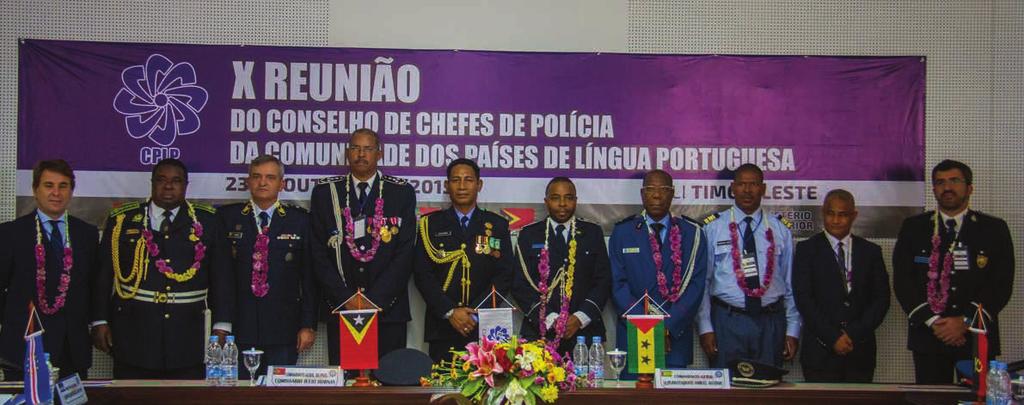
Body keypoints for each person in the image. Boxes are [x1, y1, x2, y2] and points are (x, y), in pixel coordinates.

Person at [90, 158, 233, 379]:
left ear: (186, 185)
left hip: (188, 335)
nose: (168, 186)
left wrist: (222, 325)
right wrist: (100, 320)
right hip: (134, 332)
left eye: (176, 181)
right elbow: (103, 274)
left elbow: (222, 277)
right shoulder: (123, 220)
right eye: (162, 180)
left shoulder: (209, 221)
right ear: (152, 183)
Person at [893, 159, 1014, 384]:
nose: (947, 187)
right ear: (933, 189)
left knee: (978, 398)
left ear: (969, 188)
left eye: (954, 181)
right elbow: (903, 282)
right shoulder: (914, 227)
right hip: (929, 336)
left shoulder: (993, 229)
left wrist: (965, 320)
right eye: (940, 182)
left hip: (976, 337)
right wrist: (934, 322)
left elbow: (1001, 284)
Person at [310, 128, 416, 365]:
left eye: (367, 149)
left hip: (388, 310)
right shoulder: (325, 193)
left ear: (379, 154)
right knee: (347, 387)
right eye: (355, 148)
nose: (361, 154)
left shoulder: (401, 192)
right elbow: (317, 253)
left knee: (388, 384)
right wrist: (346, 298)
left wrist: (375, 299)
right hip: (342, 308)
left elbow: (405, 253)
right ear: (347, 153)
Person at [218, 155, 317, 379]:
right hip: (239, 327)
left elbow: (309, 278)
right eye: (257, 177)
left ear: (282, 184)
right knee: (239, 394)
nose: (263, 183)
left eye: (270, 177)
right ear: (248, 182)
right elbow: (221, 276)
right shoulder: (227, 218)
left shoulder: (300, 221)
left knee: (279, 395)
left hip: (284, 329)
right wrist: (222, 323)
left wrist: (307, 324)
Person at [0, 160, 98, 379]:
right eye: (48, 185)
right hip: (23, 349)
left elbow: (93, 286)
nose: (56, 193)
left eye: (63, 186)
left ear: (71, 191)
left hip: (72, 350)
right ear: (35, 190)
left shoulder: (87, 234)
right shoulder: (10, 234)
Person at [697, 163, 800, 368]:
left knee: (768, 393)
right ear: (732, 188)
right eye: (742, 184)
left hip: (770, 322)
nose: (747, 190)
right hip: (727, 321)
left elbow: (790, 285)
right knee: (726, 395)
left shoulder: (780, 229)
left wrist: (793, 330)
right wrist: (705, 327)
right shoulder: (713, 228)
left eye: (753, 184)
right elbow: (704, 282)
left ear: (763, 188)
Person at [414, 158, 514, 362]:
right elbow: (422, 274)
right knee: (443, 392)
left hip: (485, 327)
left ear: (479, 184)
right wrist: (450, 312)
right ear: (446, 185)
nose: (461, 186)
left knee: (488, 390)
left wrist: (475, 314)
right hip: (443, 326)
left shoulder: (497, 225)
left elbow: (505, 275)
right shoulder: (429, 224)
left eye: (468, 180)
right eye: (455, 180)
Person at [608, 170, 707, 368]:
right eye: (651, 190)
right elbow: (617, 285)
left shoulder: (691, 233)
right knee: (633, 397)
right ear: (642, 194)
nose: (656, 195)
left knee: (672, 398)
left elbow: (695, 287)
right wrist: (647, 326)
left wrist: (667, 327)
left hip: (674, 338)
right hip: (633, 334)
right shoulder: (623, 232)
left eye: (663, 190)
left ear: (672, 194)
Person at [793, 189, 890, 382]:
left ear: (853, 215)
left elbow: (881, 299)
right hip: (820, 352)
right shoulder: (806, 249)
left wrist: (853, 333)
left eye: (843, 214)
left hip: (859, 350)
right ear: (823, 213)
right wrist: (832, 337)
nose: (836, 220)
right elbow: (804, 299)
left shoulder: (871, 252)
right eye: (831, 213)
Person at [511, 177, 611, 355]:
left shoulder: (592, 232)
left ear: (576, 201)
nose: (563, 204)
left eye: (569, 197)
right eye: (556, 198)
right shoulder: (529, 234)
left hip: (585, 334)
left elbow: (603, 281)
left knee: (587, 384)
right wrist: (551, 319)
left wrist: (580, 318)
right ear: (546, 201)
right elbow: (520, 285)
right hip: (540, 332)